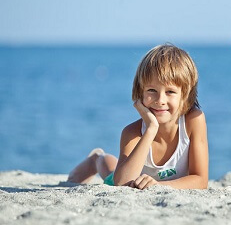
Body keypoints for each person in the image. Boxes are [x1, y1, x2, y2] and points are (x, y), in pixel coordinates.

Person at [67, 44, 208, 189]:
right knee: (110, 172)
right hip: (124, 178)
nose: (160, 100)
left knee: (116, 167)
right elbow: (121, 182)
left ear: (185, 95)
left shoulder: (194, 121)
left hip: (159, 184)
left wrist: (157, 185)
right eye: (152, 90)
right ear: (140, 93)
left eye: (170, 92)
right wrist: (151, 129)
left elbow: (200, 180)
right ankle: (97, 159)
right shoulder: (132, 133)